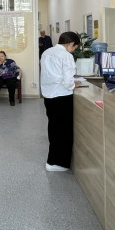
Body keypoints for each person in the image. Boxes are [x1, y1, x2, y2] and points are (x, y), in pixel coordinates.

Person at [40, 31, 84, 172]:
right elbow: (67, 81)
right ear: (71, 44)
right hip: (62, 96)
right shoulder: (66, 56)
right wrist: (74, 84)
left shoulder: (46, 52)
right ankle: (58, 164)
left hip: (49, 95)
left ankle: (52, 160)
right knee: (64, 130)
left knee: (54, 128)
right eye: (74, 47)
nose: (74, 50)